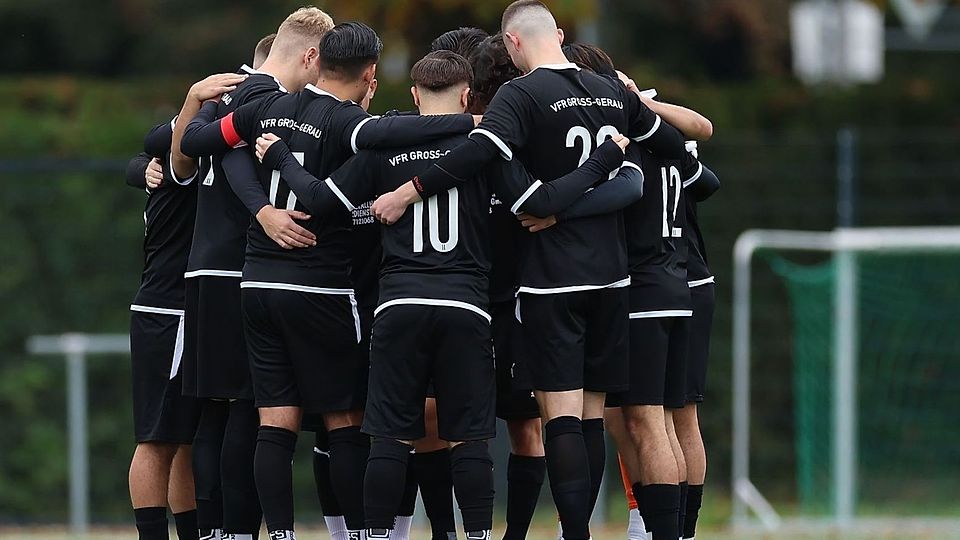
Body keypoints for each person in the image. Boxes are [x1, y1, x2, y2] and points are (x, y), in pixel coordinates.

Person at [369, 3, 686, 539]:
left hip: (549, 280)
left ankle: (571, 534)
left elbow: (497, 174)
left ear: (512, 45)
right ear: (557, 34)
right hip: (611, 279)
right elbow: (675, 146)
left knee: (557, 418)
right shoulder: (607, 90)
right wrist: (613, 161)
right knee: (589, 417)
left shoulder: (520, 95)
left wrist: (409, 189)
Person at [180, 22, 478, 540]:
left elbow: (199, 141)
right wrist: (472, 123)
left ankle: (280, 533)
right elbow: (389, 135)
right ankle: (362, 533)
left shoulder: (261, 109)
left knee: (274, 420)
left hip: (257, 284)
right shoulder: (344, 121)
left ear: (316, 61)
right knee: (344, 419)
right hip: (320, 286)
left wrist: (207, 107)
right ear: (368, 74)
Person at [169, 8, 335, 540]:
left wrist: (192, 109)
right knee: (251, 409)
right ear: (311, 56)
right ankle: (236, 530)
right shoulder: (271, 105)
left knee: (218, 412)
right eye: (323, 65)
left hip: (204, 270)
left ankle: (217, 530)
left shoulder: (227, 98)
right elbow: (213, 152)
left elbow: (183, 144)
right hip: (241, 269)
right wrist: (265, 212)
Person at [467, 34, 545, 540]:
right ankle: (512, 532)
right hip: (518, 296)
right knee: (527, 425)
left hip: (474, 293)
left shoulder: (481, 138)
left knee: (459, 426)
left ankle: (468, 530)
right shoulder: (527, 132)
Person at [125, 118, 205, 540]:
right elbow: (159, 140)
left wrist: (138, 166)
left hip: (189, 312)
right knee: (157, 440)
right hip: (166, 312)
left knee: (182, 442)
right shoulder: (177, 164)